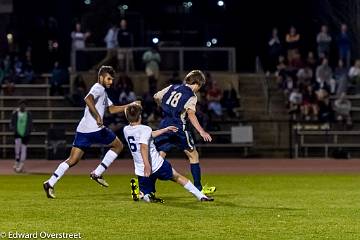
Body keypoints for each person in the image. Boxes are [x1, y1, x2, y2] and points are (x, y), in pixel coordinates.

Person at [43, 66, 138, 199]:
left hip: (83, 130)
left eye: (112, 79)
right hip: (95, 129)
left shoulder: (103, 92)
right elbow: (88, 99)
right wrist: (98, 116)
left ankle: (50, 183)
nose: (111, 81)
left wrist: (129, 105)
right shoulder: (98, 88)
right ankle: (97, 173)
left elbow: (112, 109)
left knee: (73, 160)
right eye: (108, 79)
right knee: (118, 146)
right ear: (101, 77)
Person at [123, 103, 213, 202]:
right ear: (140, 116)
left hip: (140, 169)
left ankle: (142, 194)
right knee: (177, 177)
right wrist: (147, 164)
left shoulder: (126, 130)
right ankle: (201, 196)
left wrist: (165, 129)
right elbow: (143, 147)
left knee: (146, 195)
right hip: (155, 164)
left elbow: (149, 134)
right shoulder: (145, 128)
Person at [153, 70, 216, 195]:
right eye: (200, 86)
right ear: (197, 83)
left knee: (159, 158)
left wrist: (165, 108)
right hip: (178, 127)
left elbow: (156, 96)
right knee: (193, 155)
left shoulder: (173, 87)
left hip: (164, 125)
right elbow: (191, 115)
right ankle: (198, 187)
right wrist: (201, 131)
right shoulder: (192, 96)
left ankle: (146, 188)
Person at [10, 100, 33, 173]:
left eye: (24, 105)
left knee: (23, 149)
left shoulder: (28, 114)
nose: (22, 106)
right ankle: (17, 160)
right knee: (17, 147)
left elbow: (30, 123)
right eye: (21, 105)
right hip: (17, 133)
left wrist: (29, 131)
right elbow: (12, 122)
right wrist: (13, 129)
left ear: (25, 106)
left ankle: (21, 163)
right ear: (19, 105)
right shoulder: (15, 113)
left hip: (25, 134)